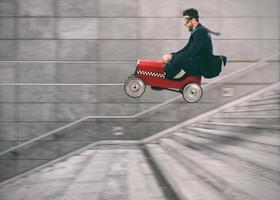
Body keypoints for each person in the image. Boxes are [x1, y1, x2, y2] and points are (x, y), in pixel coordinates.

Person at [163, 8, 226, 79]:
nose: (184, 23)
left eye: (186, 20)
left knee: (179, 59)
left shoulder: (201, 32)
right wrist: (172, 55)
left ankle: (165, 78)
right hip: (199, 62)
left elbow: (191, 52)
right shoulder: (197, 31)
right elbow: (186, 49)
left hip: (203, 65)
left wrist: (173, 57)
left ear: (193, 20)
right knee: (178, 57)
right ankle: (165, 76)